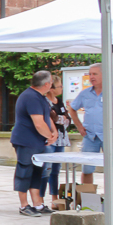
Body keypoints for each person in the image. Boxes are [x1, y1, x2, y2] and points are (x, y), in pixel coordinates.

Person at [66, 63, 113, 188]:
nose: (91, 77)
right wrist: (79, 126)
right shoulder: (85, 93)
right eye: (90, 74)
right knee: (87, 169)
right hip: (90, 136)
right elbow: (72, 109)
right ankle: (87, 196)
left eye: (95, 74)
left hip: (112, 136)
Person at [11, 71, 56, 216]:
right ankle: (24, 205)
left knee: (37, 171)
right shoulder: (31, 97)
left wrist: (54, 132)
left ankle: (38, 204)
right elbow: (38, 123)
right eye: (51, 82)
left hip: (36, 141)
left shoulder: (40, 97)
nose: (52, 85)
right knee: (24, 171)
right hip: (26, 141)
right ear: (46, 84)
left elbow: (46, 117)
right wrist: (50, 136)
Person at [39, 74, 70, 210]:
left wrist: (60, 119)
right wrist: (60, 119)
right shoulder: (45, 102)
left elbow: (67, 120)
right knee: (46, 169)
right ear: (51, 88)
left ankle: (54, 199)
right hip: (50, 139)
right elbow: (51, 119)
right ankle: (39, 199)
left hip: (61, 139)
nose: (62, 88)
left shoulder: (59, 101)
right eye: (60, 86)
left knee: (56, 170)